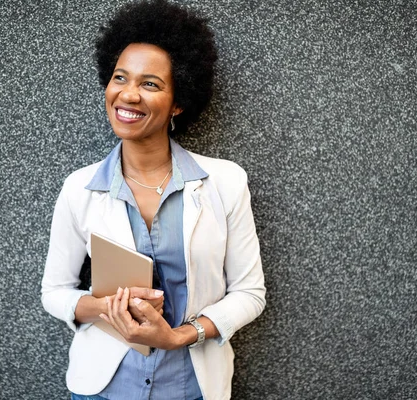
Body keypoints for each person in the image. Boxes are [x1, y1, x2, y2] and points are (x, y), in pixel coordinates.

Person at [41, 1, 266, 399]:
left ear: (179, 101)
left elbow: (249, 294)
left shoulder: (226, 182)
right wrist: (110, 307)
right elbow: (55, 292)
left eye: (150, 84)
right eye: (120, 78)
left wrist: (179, 336)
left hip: (191, 387)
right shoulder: (79, 188)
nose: (128, 95)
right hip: (104, 388)